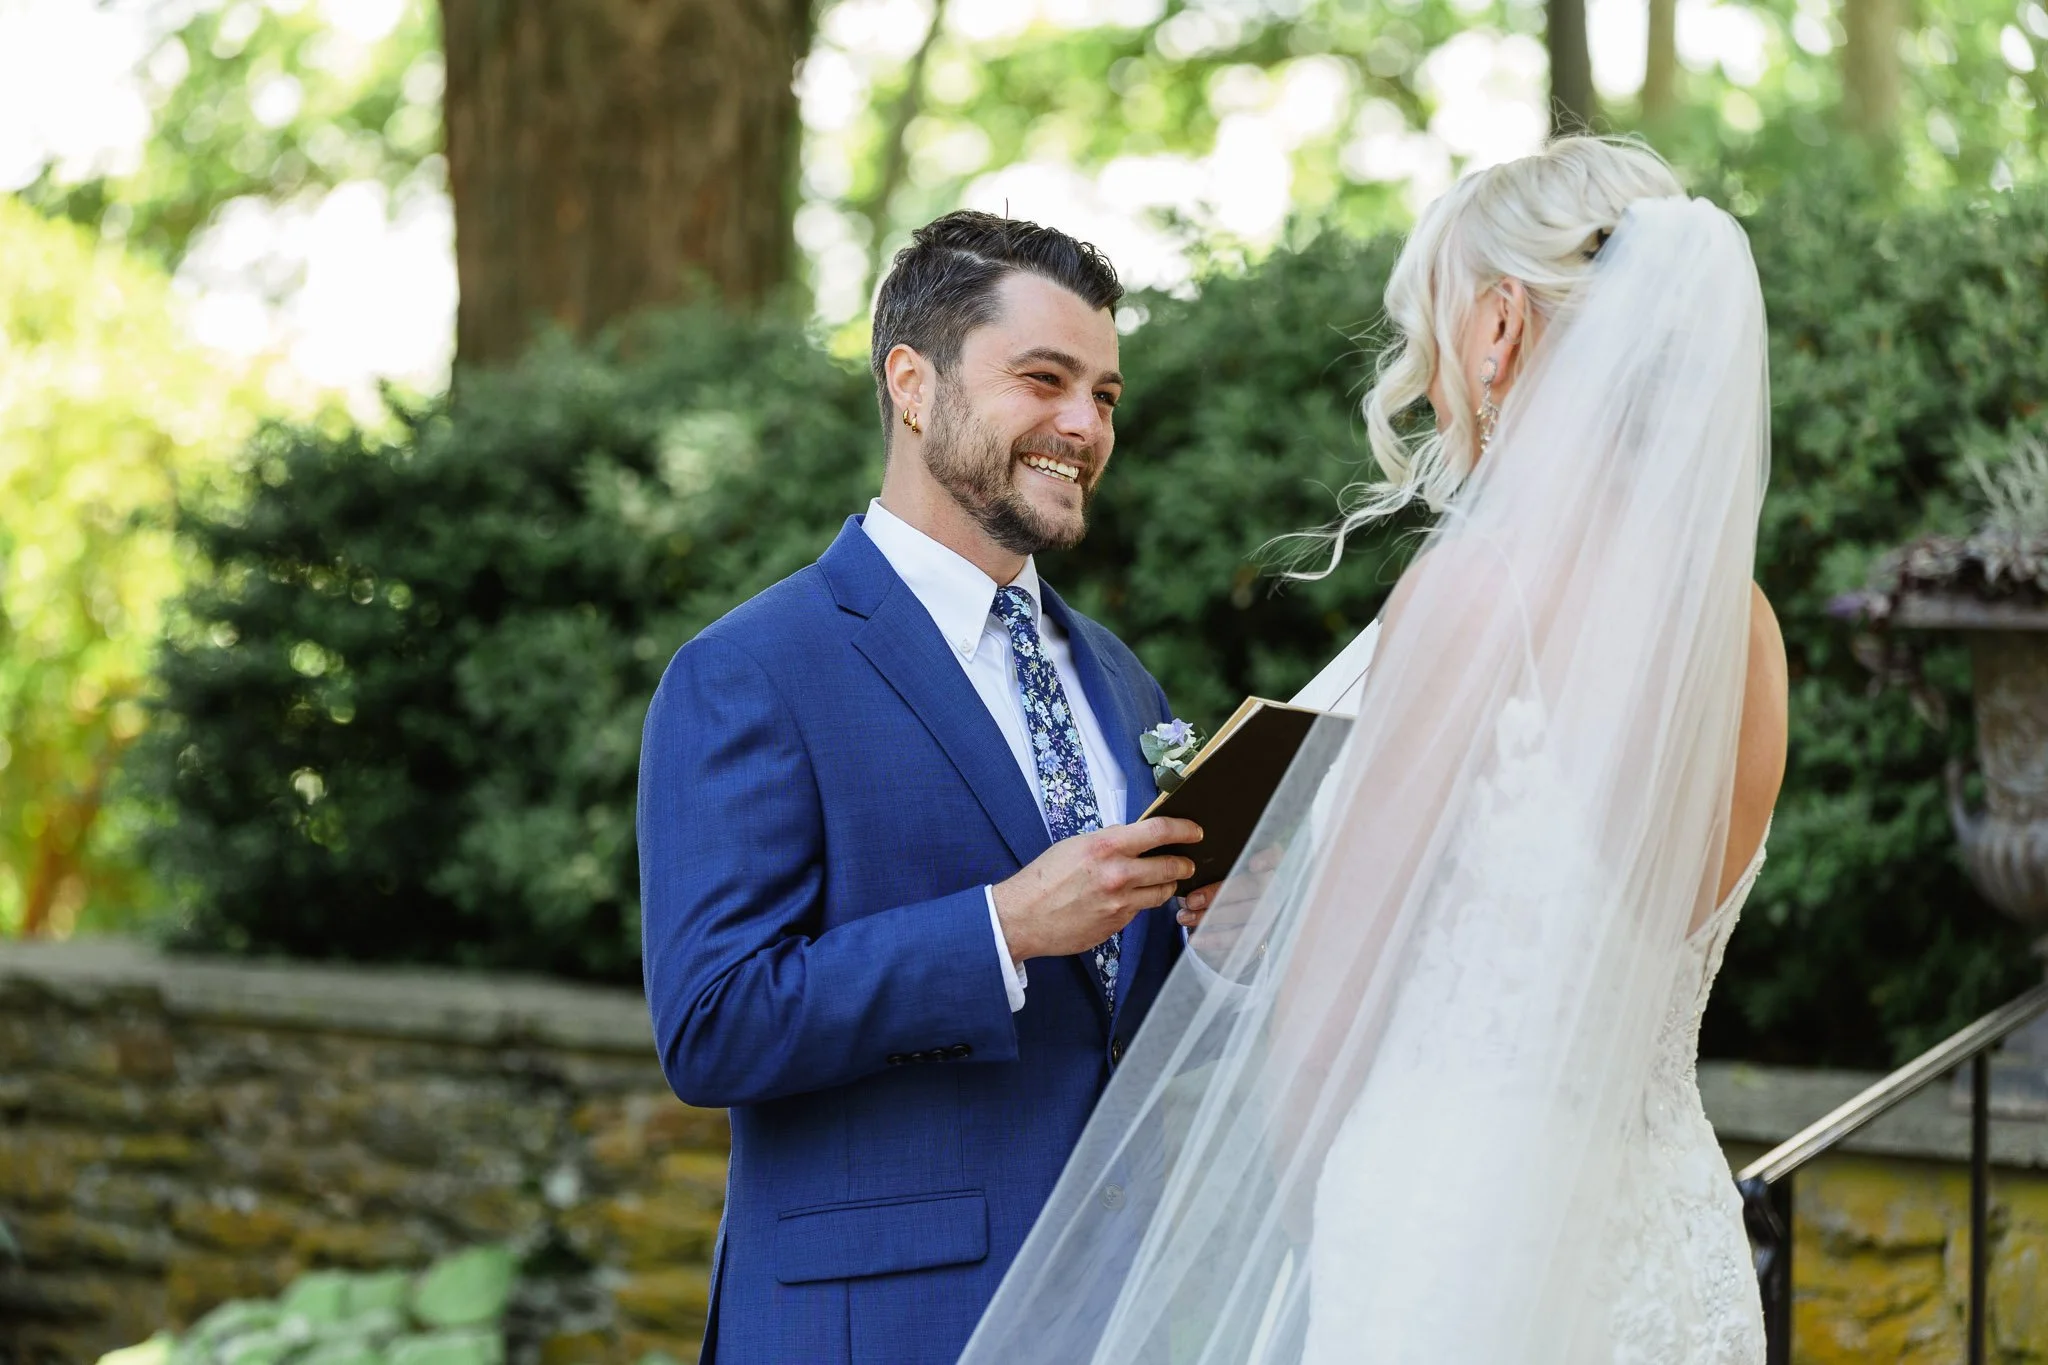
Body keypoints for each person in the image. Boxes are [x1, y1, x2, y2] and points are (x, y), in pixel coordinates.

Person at [962, 136, 1791, 1364]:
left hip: (1445, 1236)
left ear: (1499, 325)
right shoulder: (1744, 625)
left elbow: (1329, 1015)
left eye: (1434, 327)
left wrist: (1315, 1225)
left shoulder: (1478, 591)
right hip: (1668, 1240)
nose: (1431, 377)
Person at [636, 210, 1210, 1365]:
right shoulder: (751, 670)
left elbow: (1122, 1024)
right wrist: (1003, 930)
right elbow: (712, 1027)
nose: (1083, 424)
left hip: (1122, 1310)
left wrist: (1217, 947)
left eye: (1103, 394)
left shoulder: (1115, 675)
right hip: (883, 1325)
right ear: (911, 383)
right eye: (1043, 379)